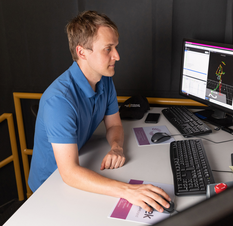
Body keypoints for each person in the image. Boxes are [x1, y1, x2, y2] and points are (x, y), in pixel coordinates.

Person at [28, 10, 171, 213]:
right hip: (50, 186)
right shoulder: (58, 100)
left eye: (116, 47)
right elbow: (68, 174)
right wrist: (129, 191)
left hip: (80, 167)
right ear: (82, 52)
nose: (117, 56)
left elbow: (114, 125)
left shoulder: (105, 80)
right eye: (108, 49)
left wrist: (116, 148)